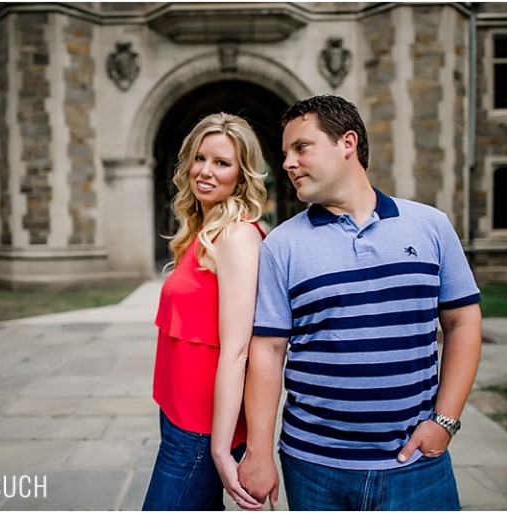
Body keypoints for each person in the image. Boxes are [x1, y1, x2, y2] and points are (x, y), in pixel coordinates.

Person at [237, 94, 482, 511]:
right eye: (285, 154)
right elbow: (268, 349)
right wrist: (259, 451)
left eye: (301, 148)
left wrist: (444, 421)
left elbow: (463, 323)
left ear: (347, 143)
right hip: (314, 466)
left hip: (416, 465)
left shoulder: (431, 226)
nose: (288, 164)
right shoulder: (281, 245)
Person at [142, 113, 268, 511]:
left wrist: (218, 447)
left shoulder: (237, 236)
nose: (205, 171)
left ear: (242, 175)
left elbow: (237, 349)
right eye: (200, 158)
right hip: (179, 417)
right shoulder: (206, 230)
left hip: (201, 428)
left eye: (222, 163)